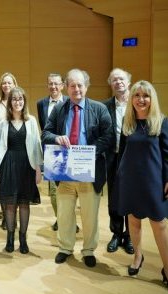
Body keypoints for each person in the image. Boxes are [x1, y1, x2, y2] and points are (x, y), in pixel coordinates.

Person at [42, 69, 112, 267]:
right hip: (64, 172)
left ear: (86, 87)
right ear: (67, 87)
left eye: (80, 85)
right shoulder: (59, 109)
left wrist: (87, 154)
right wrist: (56, 138)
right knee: (64, 213)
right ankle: (65, 247)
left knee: (89, 215)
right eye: (72, 85)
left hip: (88, 172)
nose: (76, 89)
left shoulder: (99, 109)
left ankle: (89, 250)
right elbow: (45, 133)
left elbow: (108, 137)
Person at [113, 80, 168, 287]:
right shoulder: (128, 124)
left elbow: (167, 155)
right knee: (134, 221)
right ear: (132, 99)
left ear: (151, 99)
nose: (141, 99)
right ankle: (138, 256)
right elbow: (123, 155)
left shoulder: (162, 122)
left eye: (145, 96)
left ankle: (167, 266)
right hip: (130, 180)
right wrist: (119, 178)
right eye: (137, 95)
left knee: (160, 224)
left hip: (154, 180)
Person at [0, 87, 42, 254]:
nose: (17, 102)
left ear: (24, 102)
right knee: (9, 205)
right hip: (8, 165)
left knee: (24, 203)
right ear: (10, 103)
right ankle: (10, 238)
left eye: (20, 99)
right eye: (14, 99)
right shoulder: (3, 123)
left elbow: (37, 147)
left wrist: (38, 169)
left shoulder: (31, 121)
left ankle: (23, 240)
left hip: (26, 166)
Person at [104, 68, 134, 254]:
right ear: (111, 84)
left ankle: (130, 236)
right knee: (114, 198)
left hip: (133, 160)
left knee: (130, 197)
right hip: (112, 157)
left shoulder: (137, 103)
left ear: (128, 82)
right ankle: (116, 233)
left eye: (121, 79)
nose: (118, 82)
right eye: (114, 80)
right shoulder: (105, 106)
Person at [37, 73, 68, 231]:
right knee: (54, 190)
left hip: (68, 151)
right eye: (50, 84)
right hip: (52, 151)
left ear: (62, 85)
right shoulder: (41, 103)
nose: (53, 87)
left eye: (56, 84)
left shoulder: (70, 102)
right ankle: (60, 218)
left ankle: (68, 219)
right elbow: (45, 129)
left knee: (69, 189)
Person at [0, 72, 18, 230]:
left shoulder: (19, 101)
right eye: (4, 83)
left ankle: (13, 216)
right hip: (0, 148)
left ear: (14, 84)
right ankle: (4, 216)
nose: (6, 85)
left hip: (16, 149)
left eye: (9, 82)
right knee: (1, 183)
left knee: (16, 184)